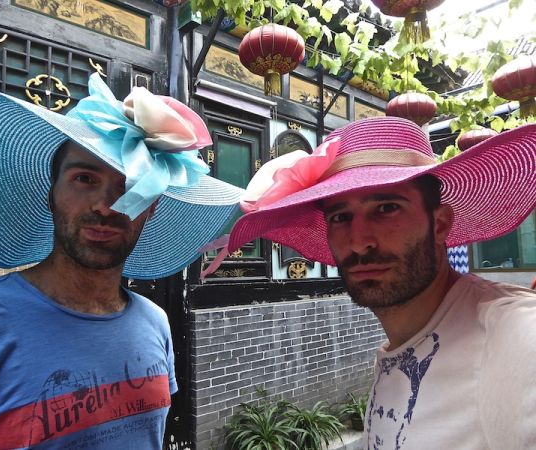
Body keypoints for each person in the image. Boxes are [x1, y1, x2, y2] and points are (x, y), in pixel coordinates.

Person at [0, 74, 242, 448]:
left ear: (151, 209)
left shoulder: (155, 323)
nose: (105, 206)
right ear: (51, 194)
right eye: (84, 179)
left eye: (132, 189)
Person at [208, 116, 536, 449]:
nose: (358, 242)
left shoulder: (512, 339)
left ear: (439, 225)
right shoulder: (398, 351)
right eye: (340, 216)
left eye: (387, 207)